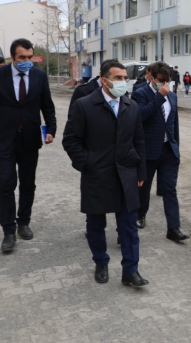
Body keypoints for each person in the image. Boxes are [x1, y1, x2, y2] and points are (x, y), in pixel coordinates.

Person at [62, 60, 149, 287]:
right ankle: (101, 263)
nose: (123, 82)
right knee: (96, 224)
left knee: (129, 226)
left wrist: (141, 171)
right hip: (97, 175)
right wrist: (87, 163)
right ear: (104, 80)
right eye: (117, 78)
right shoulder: (84, 105)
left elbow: (139, 141)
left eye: (124, 78)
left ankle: (131, 270)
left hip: (126, 174)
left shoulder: (131, 106)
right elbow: (71, 140)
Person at [0, 39, 56, 252]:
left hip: (29, 139)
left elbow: (47, 105)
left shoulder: (39, 76)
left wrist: (51, 130)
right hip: (4, 139)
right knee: (6, 183)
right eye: (22, 58)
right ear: (12, 57)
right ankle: (8, 231)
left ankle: (23, 222)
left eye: (30, 57)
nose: (27, 61)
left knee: (28, 183)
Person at [131, 62, 190, 243]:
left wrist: (176, 147)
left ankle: (173, 228)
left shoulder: (172, 96)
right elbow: (139, 116)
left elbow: (173, 124)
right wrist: (159, 97)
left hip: (168, 151)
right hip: (148, 150)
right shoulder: (140, 93)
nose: (164, 84)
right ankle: (140, 214)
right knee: (144, 187)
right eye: (160, 80)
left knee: (169, 189)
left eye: (167, 81)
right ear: (150, 76)